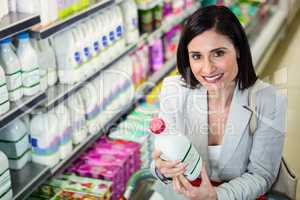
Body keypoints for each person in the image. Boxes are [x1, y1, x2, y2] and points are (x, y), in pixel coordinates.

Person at [150, 5, 287, 200]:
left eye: (218, 53)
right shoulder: (174, 90)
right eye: (197, 56)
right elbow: (160, 158)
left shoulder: (270, 101)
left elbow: (262, 174)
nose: (207, 68)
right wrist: (162, 169)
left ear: (238, 50)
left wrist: (216, 196)